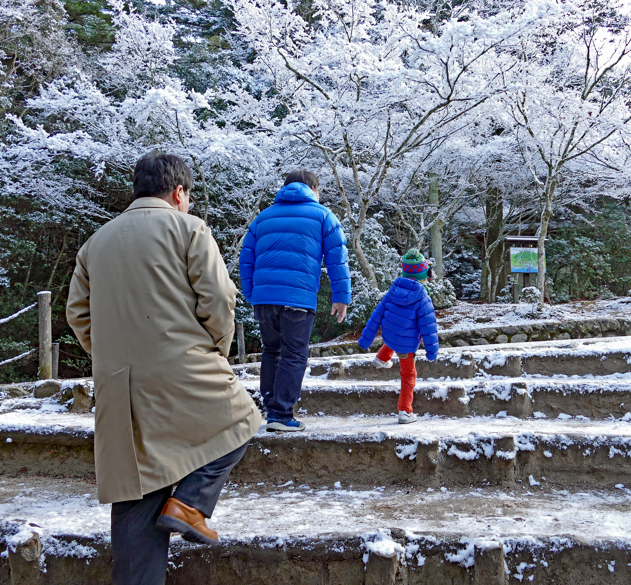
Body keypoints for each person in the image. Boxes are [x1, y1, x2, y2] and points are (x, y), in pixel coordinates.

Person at [66, 152, 261, 585]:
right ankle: (191, 504)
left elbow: (77, 313)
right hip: (185, 370)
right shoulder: (189, 228)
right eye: (188, 196)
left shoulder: (95, 243)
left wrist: (112, 357)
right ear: (179, 193)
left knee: (137, 494)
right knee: (243, 419)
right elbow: (218, 299)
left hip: (120, 387)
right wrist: (217, 350)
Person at [239, 170, 351, 432]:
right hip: (298, 300)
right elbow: (337, 258)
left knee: (272, 351)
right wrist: (341, 296)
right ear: (313, 188)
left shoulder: (262, 218)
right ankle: (281, 414)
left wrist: (253, 295)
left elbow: (246, 260)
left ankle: (271, 409)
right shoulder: (323, 216)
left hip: (264, 301)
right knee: (293, 354)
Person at [357, 249, 439, 424]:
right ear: (424, 275)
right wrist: (431, 351)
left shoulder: (393, 291)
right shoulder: (423, 298)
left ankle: (381, 357)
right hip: (406, 344)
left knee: (396, 334)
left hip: (389, 334)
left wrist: (365, 340)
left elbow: (376, 315)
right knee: (408, 376)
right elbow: (428, 328)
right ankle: (405, 411)